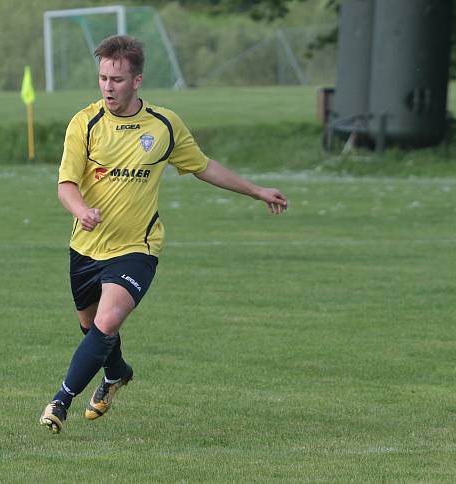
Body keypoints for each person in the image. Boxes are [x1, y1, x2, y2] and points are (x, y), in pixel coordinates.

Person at [39, 34, 288, 434]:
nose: (107, 87)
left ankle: (60, 401)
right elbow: (66, 184)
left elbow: (203, 166)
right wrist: (82, 210)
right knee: (93, 330)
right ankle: (117, 373)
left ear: (137, 81)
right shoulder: (85, 123)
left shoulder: (164, 125)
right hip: (86, 247)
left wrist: (256, 190)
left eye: (117, 80)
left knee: (109, 319)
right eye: (102, 78)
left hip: (139, 246)